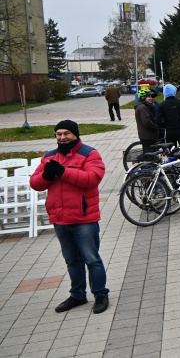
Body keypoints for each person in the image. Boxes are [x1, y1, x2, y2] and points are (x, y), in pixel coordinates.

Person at [30, 120, 110, 314]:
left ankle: (100, 294)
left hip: (84, 218)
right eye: (58, 134)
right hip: (60, 218)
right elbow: (35, 183)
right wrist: (47, 176)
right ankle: (77, 295)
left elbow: (92, 179)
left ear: (75, 134)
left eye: (66, 133)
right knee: (71, 260)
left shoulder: (89, 154)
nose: (62, 137)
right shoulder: (49, 156)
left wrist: (63, 172)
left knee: (92, 259)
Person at [134, 89, 161, 155]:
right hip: (147, 136)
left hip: (147, 135)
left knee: (150, 155)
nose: (151, 98)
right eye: (148, 97)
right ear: (143, 97)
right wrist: (156, 127)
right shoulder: (142, 108)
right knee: (149, 156)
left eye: (151, 97)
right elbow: (146, 122)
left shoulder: (144, 106)